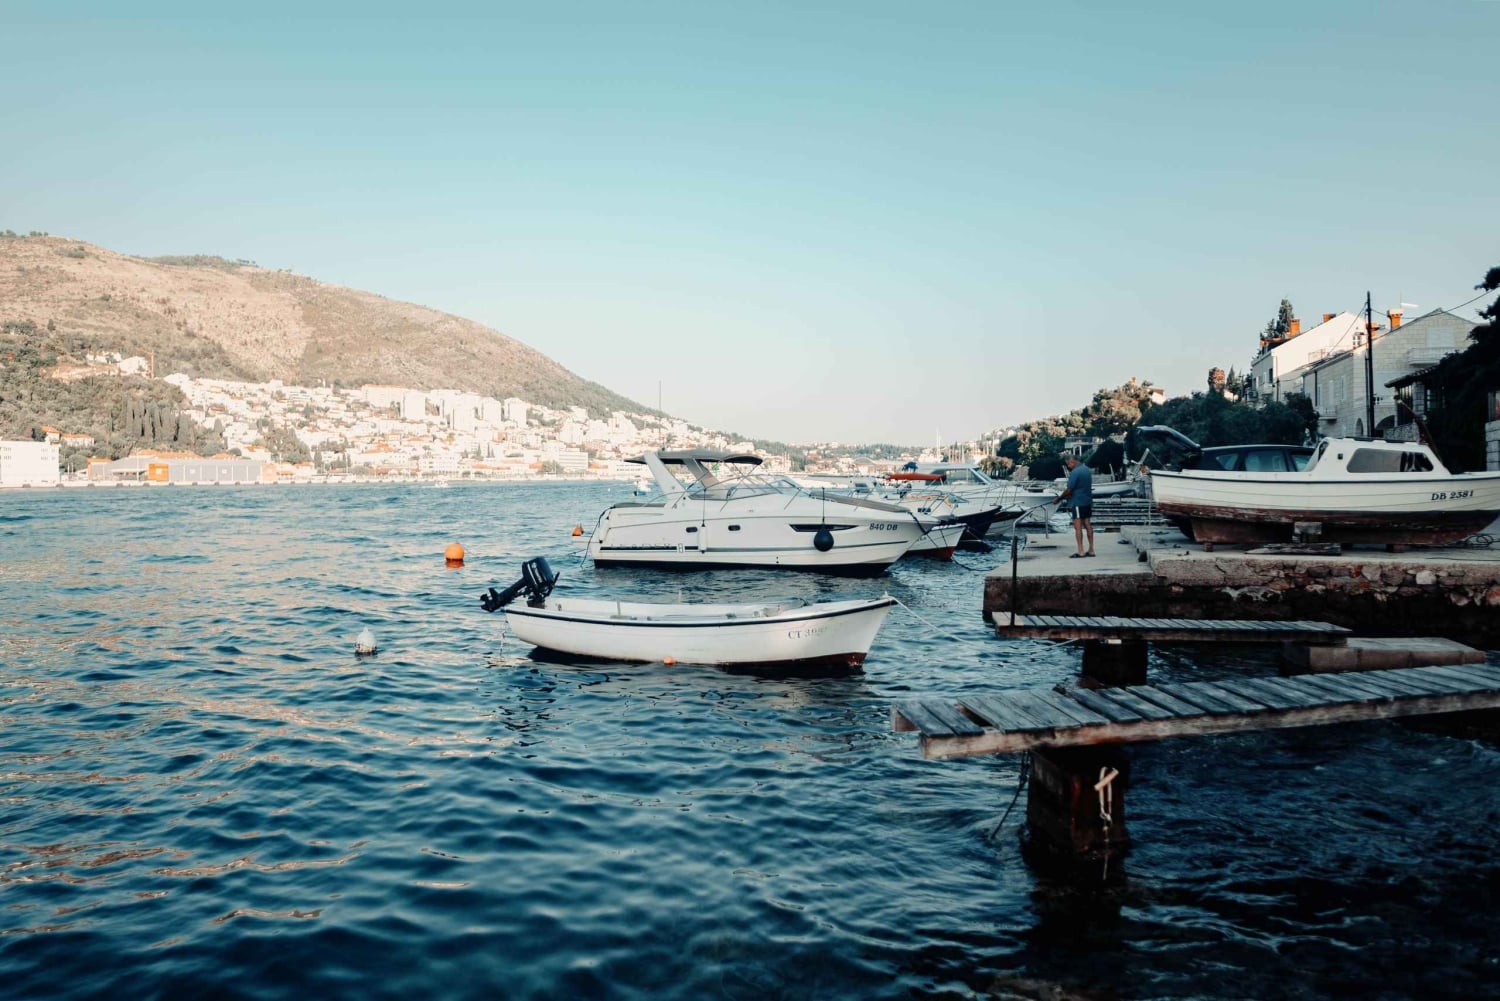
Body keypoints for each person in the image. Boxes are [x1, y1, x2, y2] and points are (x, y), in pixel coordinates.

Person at [1056, 453, 1094, 558]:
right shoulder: (1086, 470)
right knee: (1087, 524)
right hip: (1087, 501)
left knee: (1078, 527)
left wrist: (1058, 499)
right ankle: (1091, 550)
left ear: (1072, 461)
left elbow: (1069, 490)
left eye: (1068, 464)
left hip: (1078, 502)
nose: (1068, 467)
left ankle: (1080, 551)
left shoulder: (1075, 472)